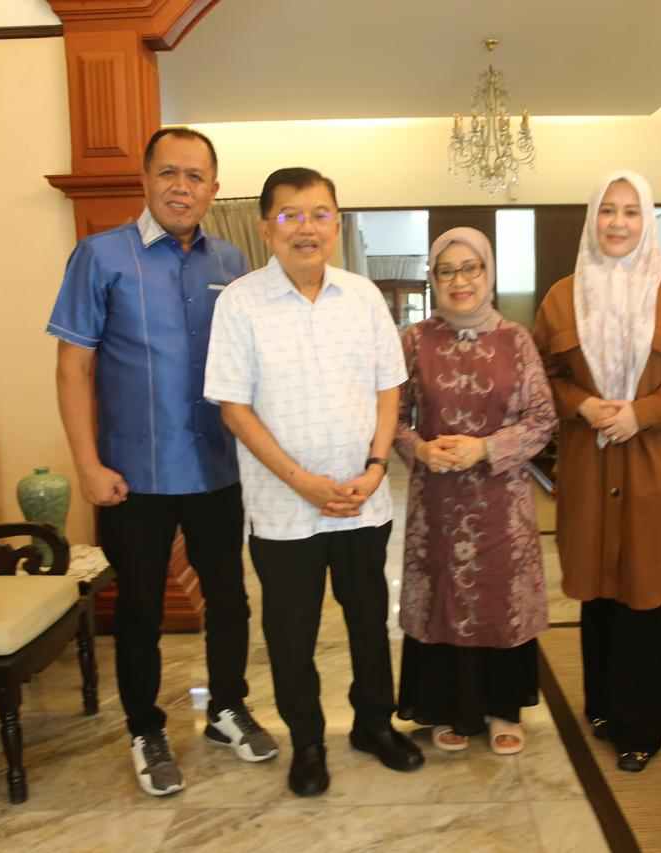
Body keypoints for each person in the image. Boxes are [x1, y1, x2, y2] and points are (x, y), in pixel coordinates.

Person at [49, 127, 278, 798]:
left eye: (195, 176)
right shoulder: (100, 256)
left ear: (213, 188)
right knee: (140, 608)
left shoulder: (230, 260)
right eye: (169, 173)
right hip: (133, 475)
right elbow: (72, 368)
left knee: (229, 599)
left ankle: (227, 709)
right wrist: (86, 465)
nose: (182, 187)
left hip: (217, 468)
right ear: (145, 180)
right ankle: (145, 729)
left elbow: (252, 366)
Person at [204, 167, 424, 797]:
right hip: (283, 508)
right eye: (290, 215)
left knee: (369, 621)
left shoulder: (363, 297)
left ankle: (374, 725)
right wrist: (301, 481)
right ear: (265, 227)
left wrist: (376, 467)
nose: (307, 228)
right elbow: (234, 409)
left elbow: (389, 388)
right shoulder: (239, 302)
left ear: (336, 223)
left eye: (320, 214)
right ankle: (306, 741)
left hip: (362, 501)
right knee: (291, 633)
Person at [532, 170, 661, 773]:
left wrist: (643, 413)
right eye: (608, 210)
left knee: (642, 595)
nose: (617, 222)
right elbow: (541, 377)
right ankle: (601, 708)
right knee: (595, 591)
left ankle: (641, 728)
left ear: (646, 220)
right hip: (588, 466)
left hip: (654, 464)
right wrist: (582, 405)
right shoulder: (562, 297)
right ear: (592, 218)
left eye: (631, 211)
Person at [393, 227, 555, 755]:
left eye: (471, 268)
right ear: (433, 279)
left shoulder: (516, 339)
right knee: (443, 595)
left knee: (498, 596)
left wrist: (486, 448)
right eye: (447, 271)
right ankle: (448, 709)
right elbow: (392, 418)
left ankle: (503, 708)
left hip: (502, 503)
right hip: (437, 504)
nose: (459, 280)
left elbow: (543, 419)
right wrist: (419, 450)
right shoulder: (415, 341)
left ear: (489, 273)